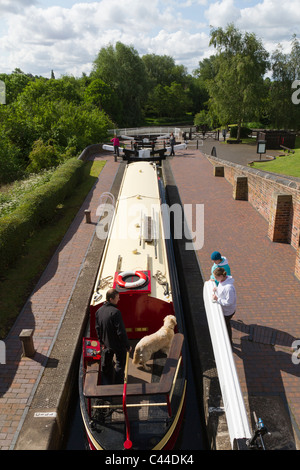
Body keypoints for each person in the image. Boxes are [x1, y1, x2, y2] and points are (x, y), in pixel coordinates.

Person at [95, 288, 131, 383]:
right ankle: (118, 383)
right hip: (117, 345)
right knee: (120, 363)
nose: (118, 300)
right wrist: (127, 346)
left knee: (107, 361)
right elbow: (121, 332)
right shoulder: (115, 312)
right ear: (111, 299)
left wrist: (101, 342)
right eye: (117, 298)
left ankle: (106, 379)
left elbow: (98, 329)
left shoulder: (98, 312)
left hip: (106, 343)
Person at [212, 267, 236, 345]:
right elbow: (222, 290)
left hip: (227, 312)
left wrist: (217, 299)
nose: (215, 279)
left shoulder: (229, 288)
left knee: (225, 326)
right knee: (226, 324)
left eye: (216, 277)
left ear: (221, 276)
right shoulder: (222, 281)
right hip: (225, 310)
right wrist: (217, 289)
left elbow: (229, 302)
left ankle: (229, 341)